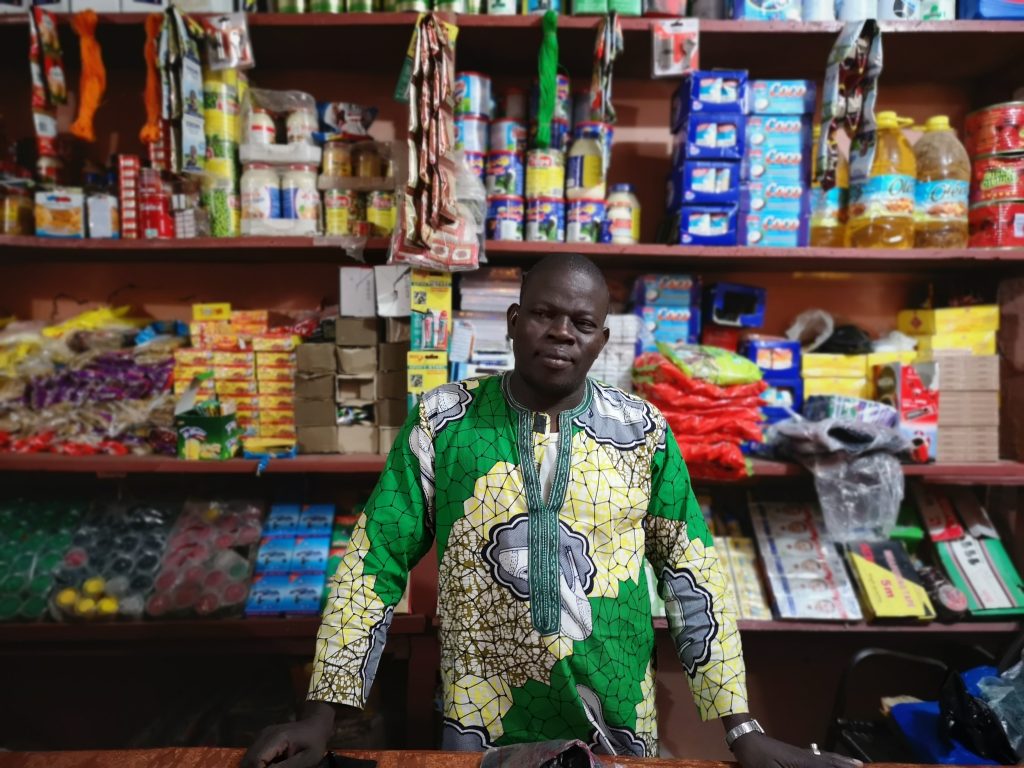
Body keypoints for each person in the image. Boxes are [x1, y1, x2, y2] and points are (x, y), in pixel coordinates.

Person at [243, 254, 862, 768]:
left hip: (618, 724)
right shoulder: (443, 420)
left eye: (581, 322)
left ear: (602, 339)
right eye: (543, 313)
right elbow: (373, 561)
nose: (561, 331)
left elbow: (693, 575)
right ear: (513, 322)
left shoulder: (642, 431)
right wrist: (321, 716)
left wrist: (741, 730)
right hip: (480, 726)